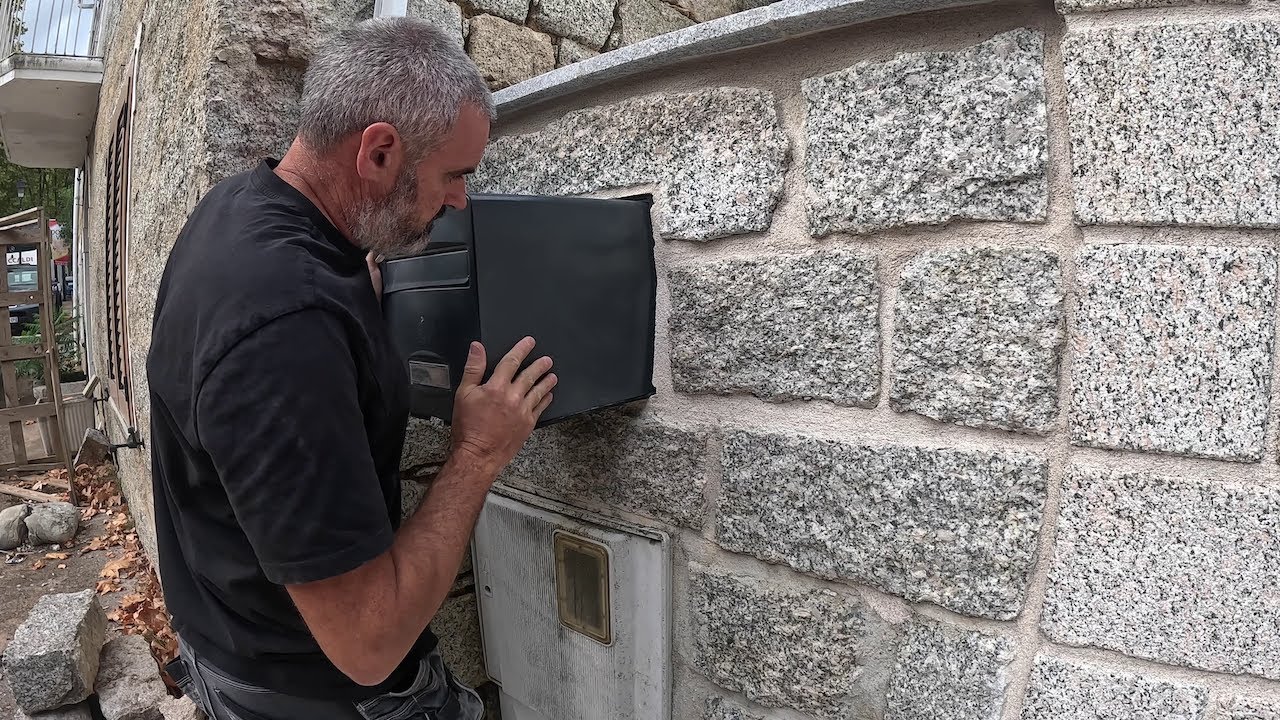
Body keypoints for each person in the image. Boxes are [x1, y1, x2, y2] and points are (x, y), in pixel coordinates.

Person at [145, 17, 555, 720]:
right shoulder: (287, 331)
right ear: (380, 152)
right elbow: (368, 642)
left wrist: (348, 289)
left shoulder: (243, 209)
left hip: (229, 642)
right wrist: (479, 453)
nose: (461, 201)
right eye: (454, 174)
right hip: (309, 694)